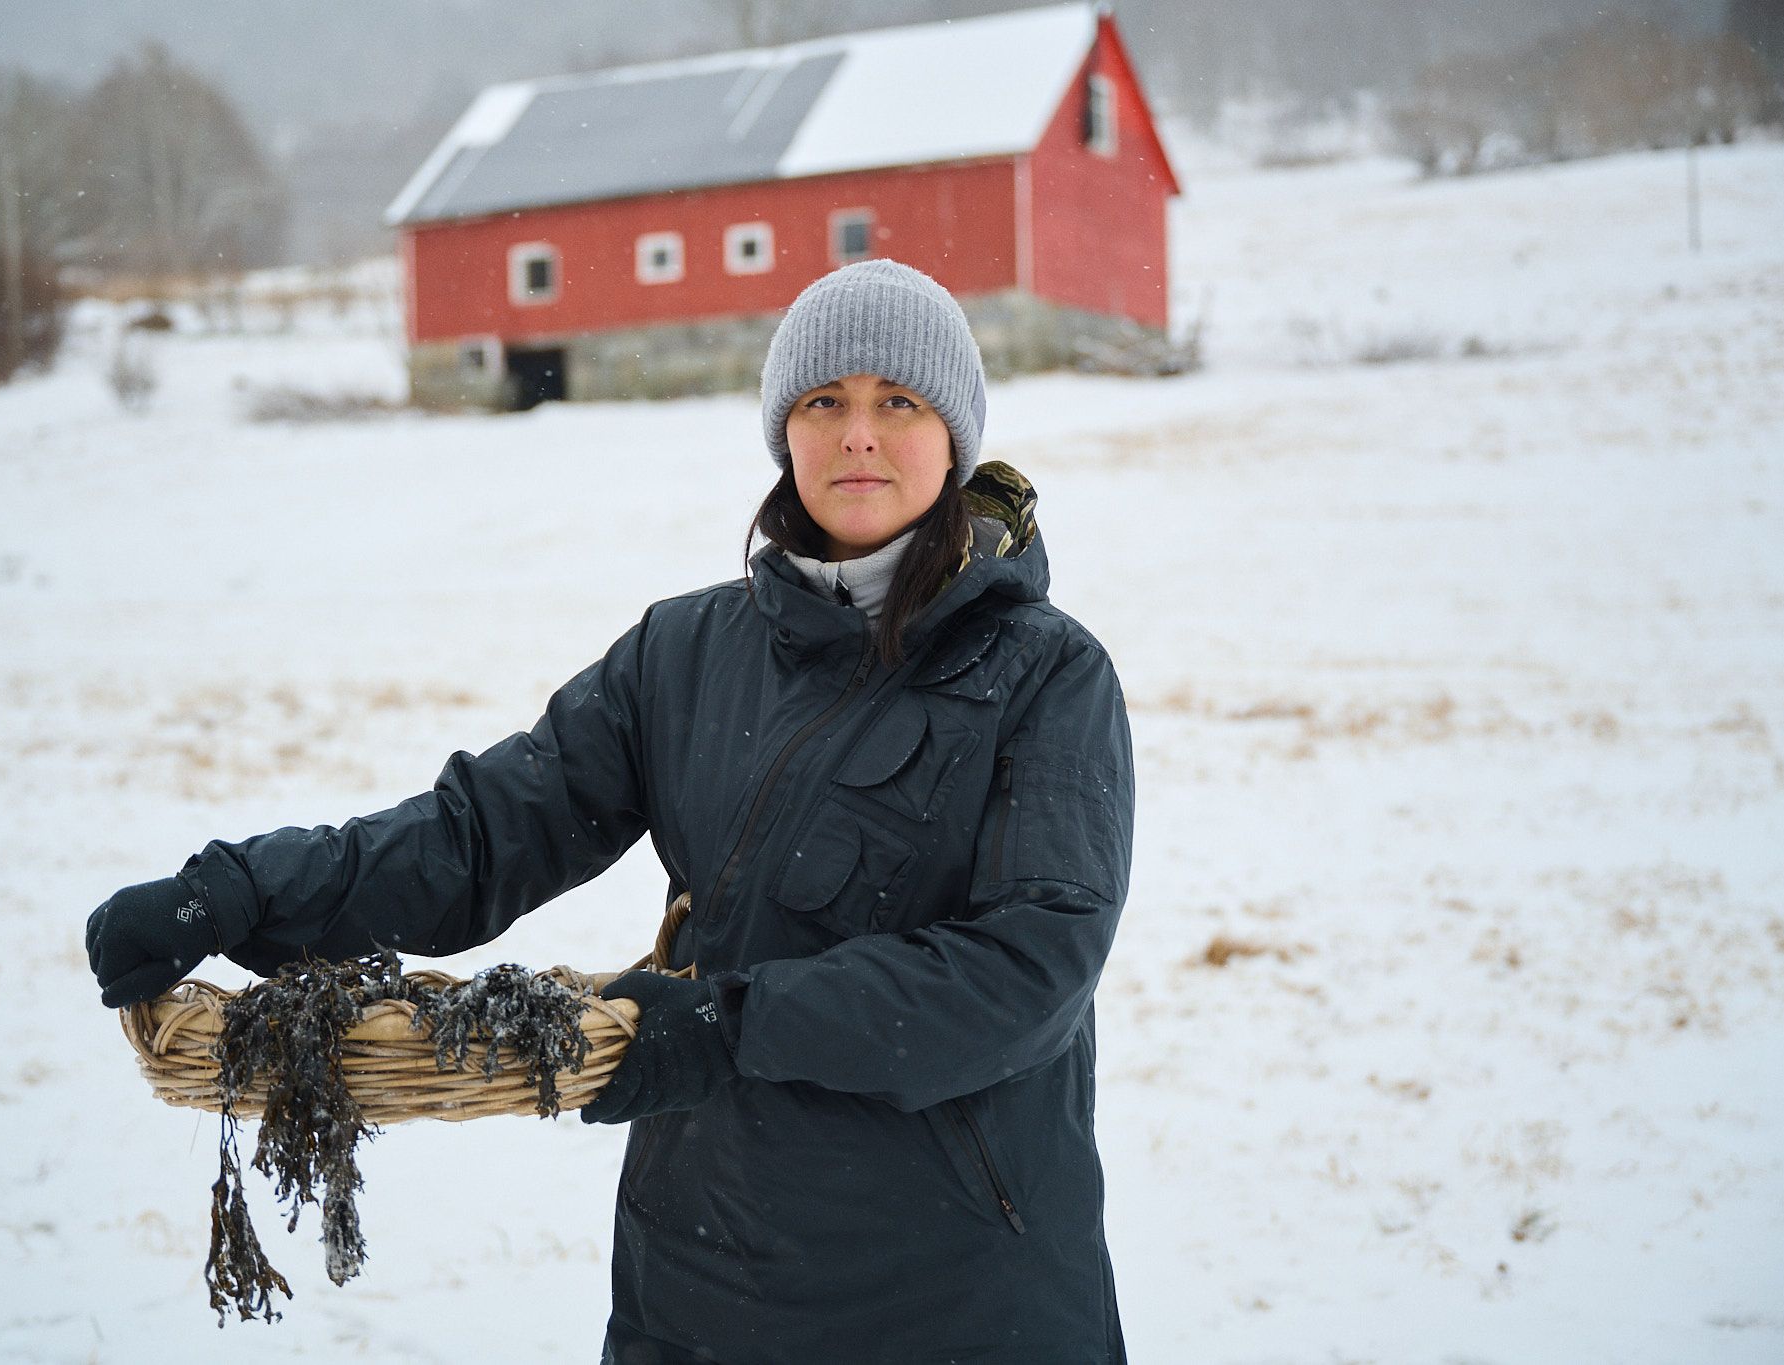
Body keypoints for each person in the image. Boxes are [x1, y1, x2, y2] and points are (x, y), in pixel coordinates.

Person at [85, 259, 1136, 1363]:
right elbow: (480, 836)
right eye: (824, 400)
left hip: (958, 1296)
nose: (858, 435)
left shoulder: (1042, 674)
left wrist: (732, 1025)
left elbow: (1027, 969)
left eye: (900, 402)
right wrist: (239, 894)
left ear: (954, 436)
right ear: (784, 430)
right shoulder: (686, 653)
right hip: (696, 1281)